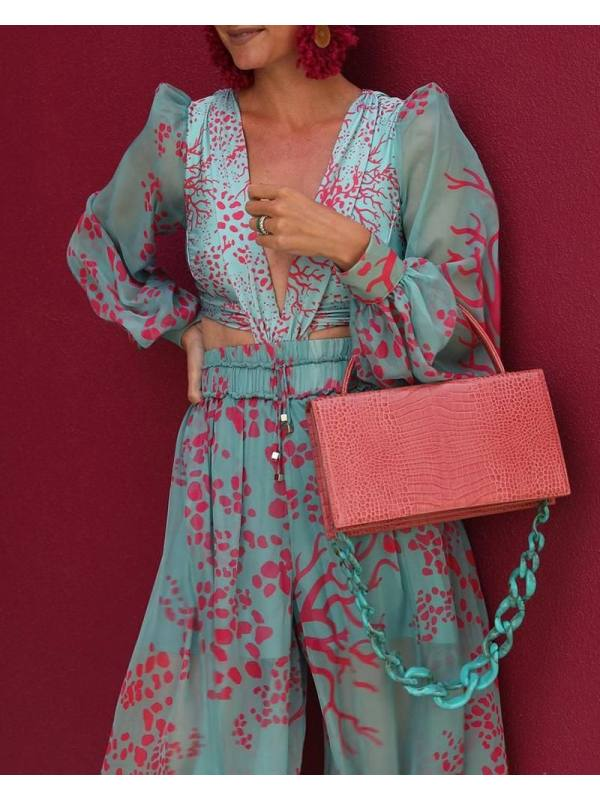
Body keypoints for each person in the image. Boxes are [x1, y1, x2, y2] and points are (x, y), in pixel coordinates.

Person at [66, 24, 507, 775]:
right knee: (214, 717)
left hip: (372, 451)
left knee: (394, 723)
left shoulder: (408, 130)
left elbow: (466, 320)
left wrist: (353, 249)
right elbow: (97, 246)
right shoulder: (188, 135)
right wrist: (184, 327)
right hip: (224, 460)